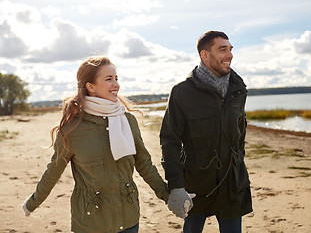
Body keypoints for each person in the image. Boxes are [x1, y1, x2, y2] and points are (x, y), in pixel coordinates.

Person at [22, 56, 169, 233]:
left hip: (129, 218)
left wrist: (168, 195)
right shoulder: (72, 129)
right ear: (90, 86)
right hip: (90, 221)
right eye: (109, 79)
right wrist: (32, 202)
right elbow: (53, 171)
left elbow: (144, 164)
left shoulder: (127, 121)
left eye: (116, 78)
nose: (116, 84)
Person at [160, 31, 253, 233]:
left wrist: (238, 161)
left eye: (230, 49)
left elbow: (240, 131)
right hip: (196, 182)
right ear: (204, 55)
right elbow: (170, 141)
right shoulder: (182, 92)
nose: (229, 54)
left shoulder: (239, 89)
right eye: (222, 49)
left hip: (231, 183)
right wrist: (176, 186)